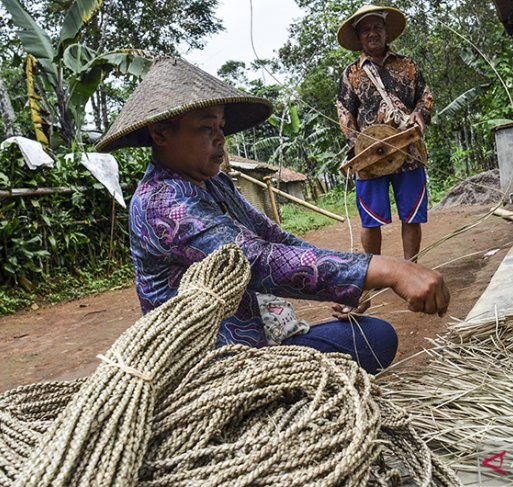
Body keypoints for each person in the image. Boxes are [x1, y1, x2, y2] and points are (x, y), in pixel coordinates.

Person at [96, 57, 449, 375]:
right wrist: (389, 270)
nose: (220, 138)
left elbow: (274, 238)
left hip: (258, 341)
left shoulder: (215, 185)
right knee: (361, 350)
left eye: (221, 127)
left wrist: (351, 281)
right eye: (206, 128)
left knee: (376, 336)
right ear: (160, 134)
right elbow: (256, 260)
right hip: (212, 363)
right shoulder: (163, 202)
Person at [336, 4, 433, 264]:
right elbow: (345, 112)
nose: (372, 33)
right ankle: (374, 272)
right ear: (359, 37)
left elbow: (425, 98)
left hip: (408, 150)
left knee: (412, 214)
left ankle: (410, 267)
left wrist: (419, 116)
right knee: (370, 218)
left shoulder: (408, 65)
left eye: (377, 27)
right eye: (366, 30)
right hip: (369, 155)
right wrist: (359, 144)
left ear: (386, 32)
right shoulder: (350, 74)